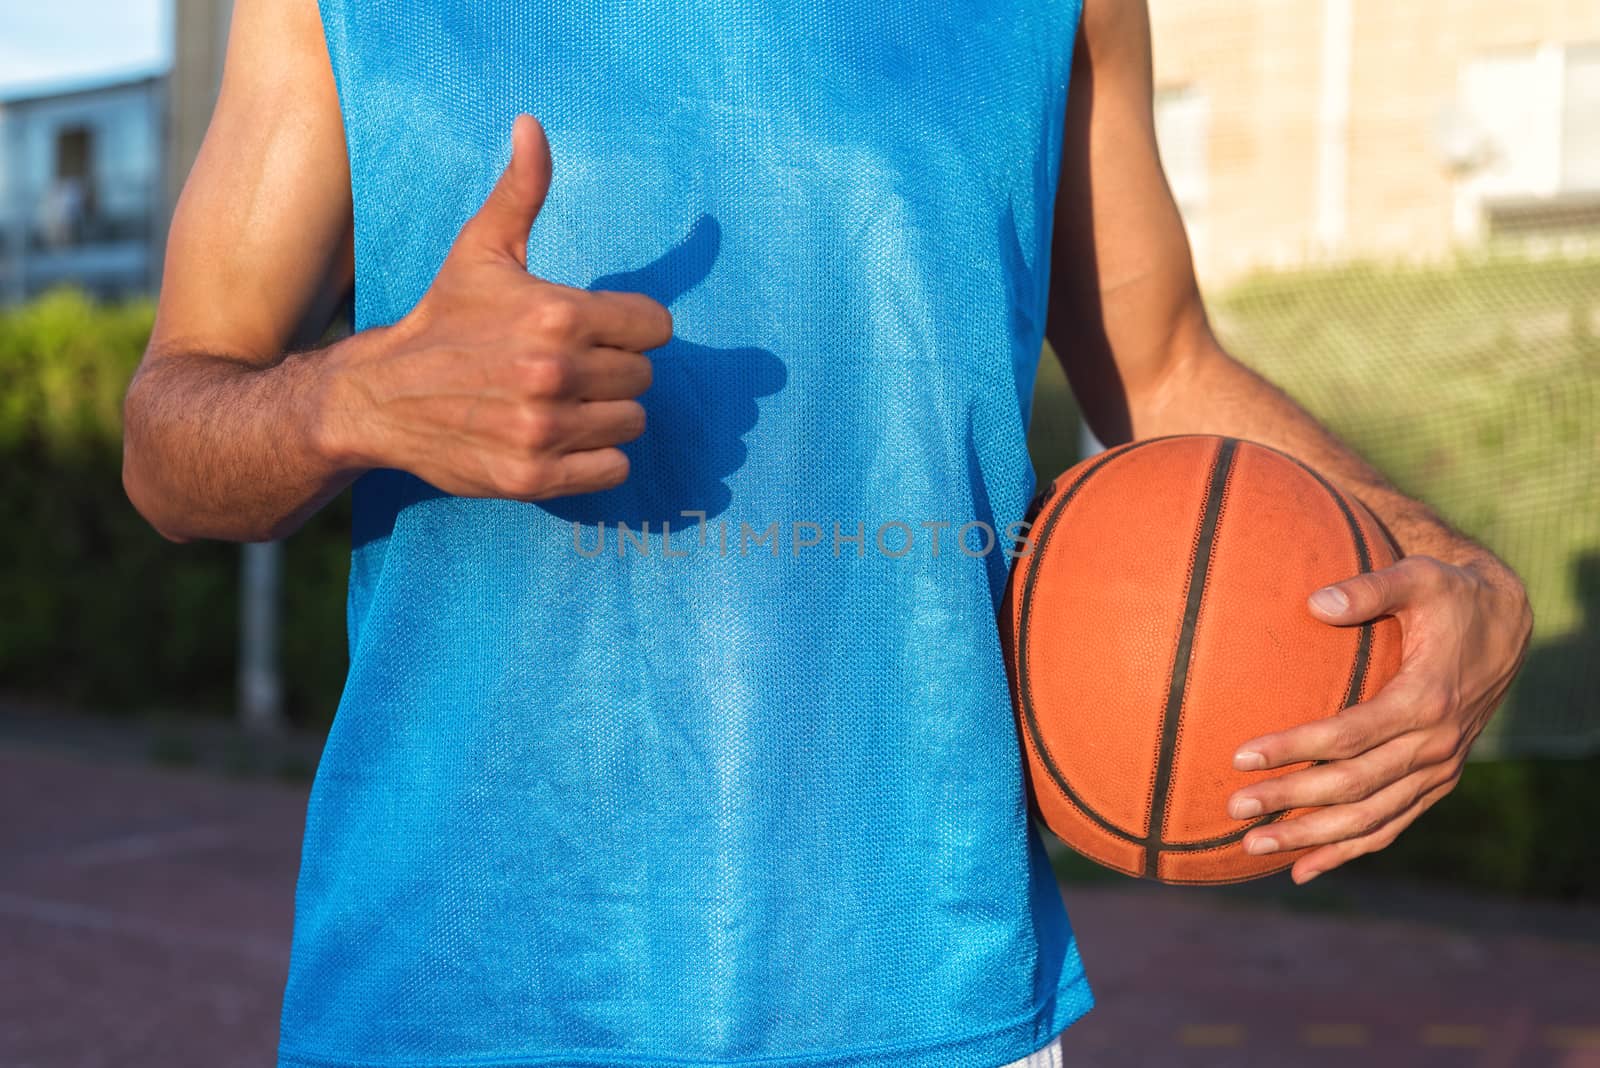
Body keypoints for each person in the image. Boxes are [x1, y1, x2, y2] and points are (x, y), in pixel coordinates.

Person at [120, 1, 1532, 1065]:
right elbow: (173, 437)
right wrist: (350, 402)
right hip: (462, 986)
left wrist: (1455, 571)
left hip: (923, 982)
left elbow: (1162, 370)